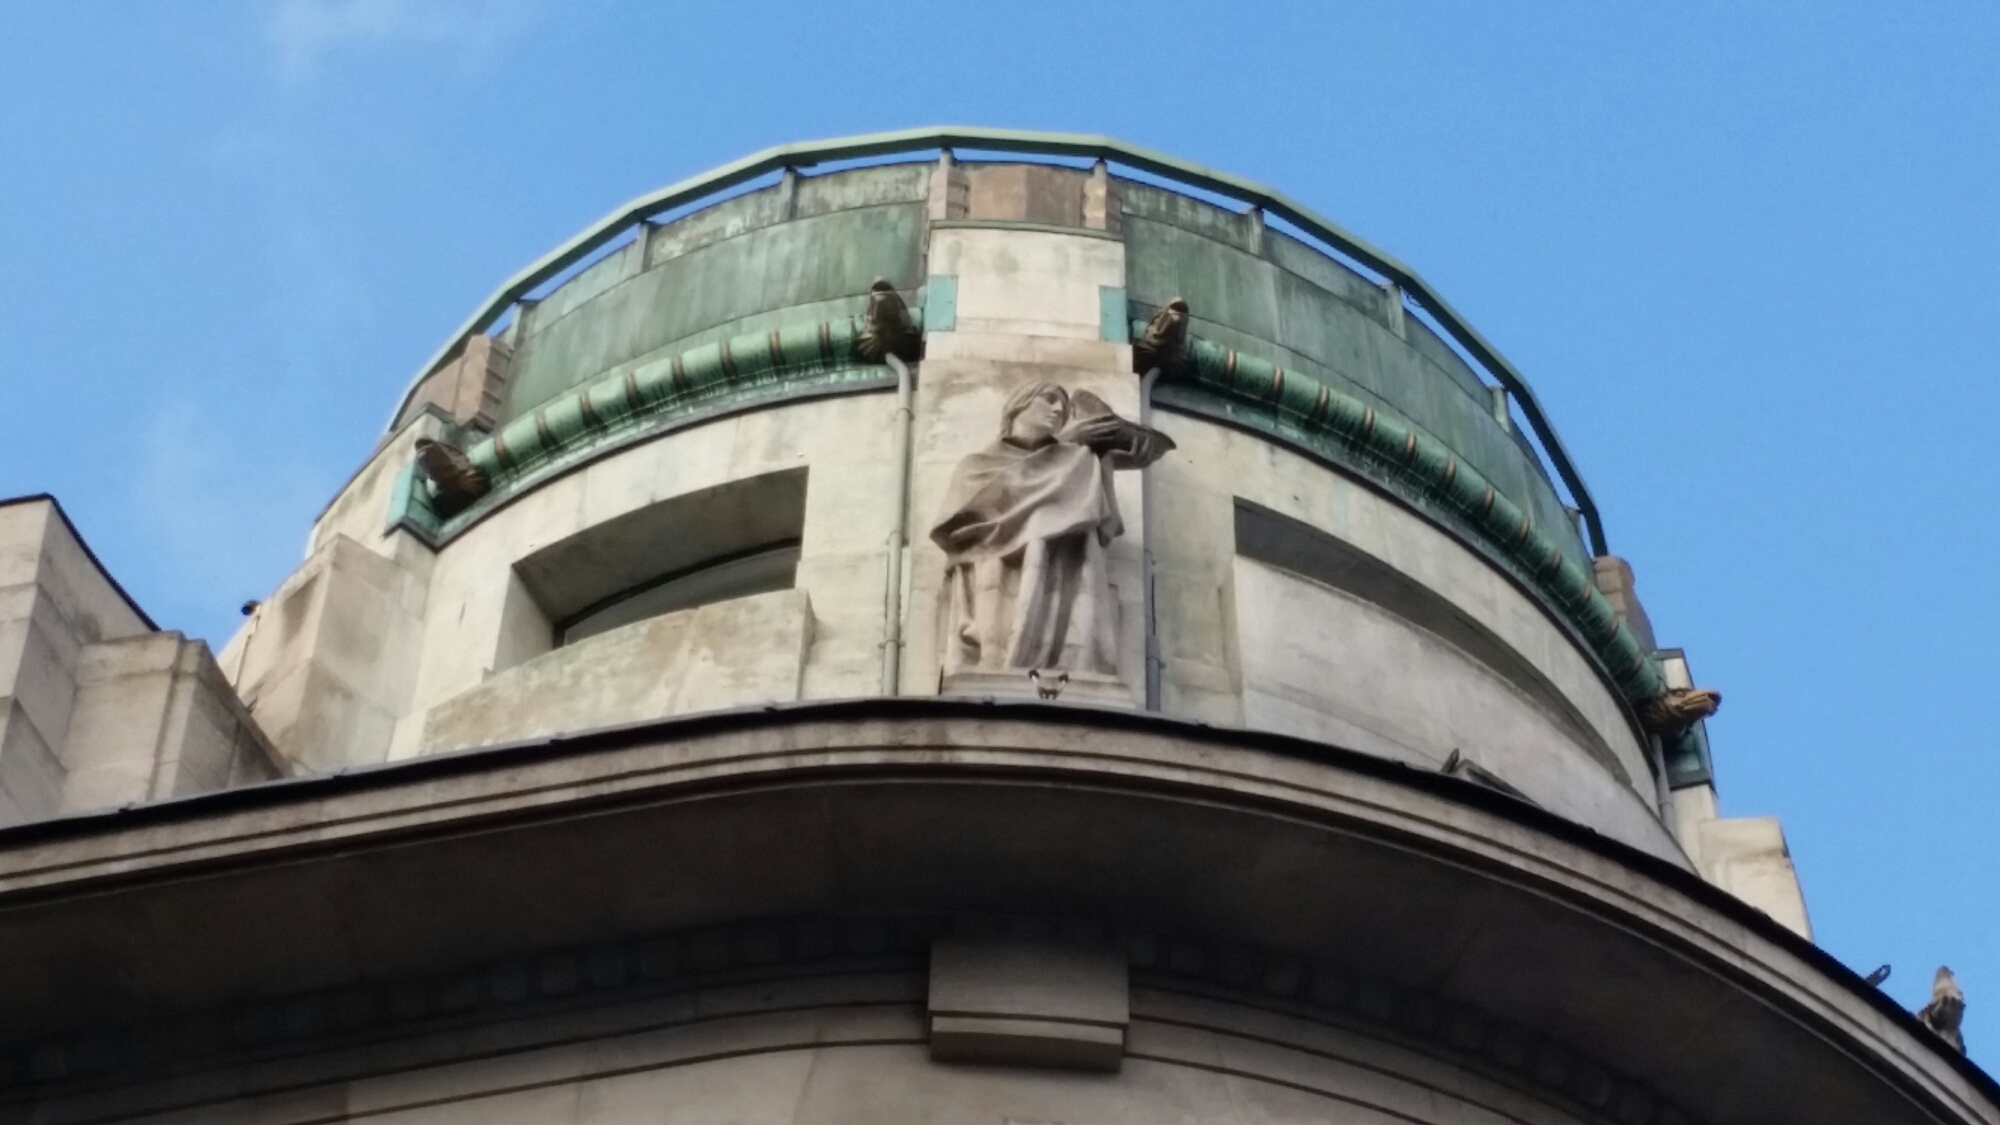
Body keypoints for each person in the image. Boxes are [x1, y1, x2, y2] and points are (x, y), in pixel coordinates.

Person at [930, 381, 1173, 676]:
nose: (1058, 410)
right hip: (992, 593)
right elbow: (973, 517)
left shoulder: (1079, 464)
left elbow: (1107, 527)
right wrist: (1064, 447)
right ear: (1018, 406)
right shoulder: (975, 466)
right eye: (1048, 399)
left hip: (1059, 597)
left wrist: (1101, 457)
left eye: (1064, 408)